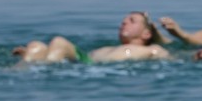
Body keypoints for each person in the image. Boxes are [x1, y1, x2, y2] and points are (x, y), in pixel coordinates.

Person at [12, 11, 177, 64]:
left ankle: (39, 69)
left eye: (131, 21)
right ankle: (28, 66)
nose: (124, 23)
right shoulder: (106, 48)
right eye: (123, 21)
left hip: (90, 67)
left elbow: (175, 60)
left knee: (59, 42)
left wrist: (199, 58)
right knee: (36, 46)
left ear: (146, 34)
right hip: (83, 65)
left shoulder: (153, 49)